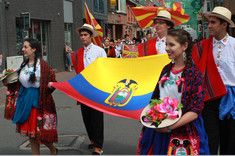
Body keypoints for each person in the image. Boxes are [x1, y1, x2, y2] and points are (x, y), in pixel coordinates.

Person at [137, 29, 209, 155]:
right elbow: (156, 99)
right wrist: (147, 116)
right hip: (159, 129)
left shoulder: (194, 74)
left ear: (184, 46)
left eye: (171, 44)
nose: (167, 48)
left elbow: (195, 111)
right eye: (166, 44)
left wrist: (169, 128)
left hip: (183, 130)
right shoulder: (165, 70)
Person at [3, 38, 58, 155]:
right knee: (31, 134)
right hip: (25, 101)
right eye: (23, 47)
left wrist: (50, 84)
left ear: (33, 49)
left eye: (25, 47)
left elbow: (53, 80)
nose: (23, 49)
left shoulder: (43, 66)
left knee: (40, 132)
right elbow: (18, 82)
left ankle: (53, 149)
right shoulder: (24, 64)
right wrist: (8, 82)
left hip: (39, 102)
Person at [192, 6, 235, 155]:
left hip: (230, 99)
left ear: (224, 25)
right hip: (209, 97)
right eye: (209, 22)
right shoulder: (202, 46)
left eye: (213, 22)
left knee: (229, 139)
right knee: (210, 138)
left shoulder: (234, 45)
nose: (209, 25)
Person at [71, 23, 107, 155]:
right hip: (83, 90)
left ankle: (98, 146)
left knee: (97, 118)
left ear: (91, 36)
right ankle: (92, 139)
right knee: (86, 117)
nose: (82, 37)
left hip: (96, 89)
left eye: (85, 35)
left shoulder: (99, 51)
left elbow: (105, 70)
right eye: (81, 35)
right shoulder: (76, 54)